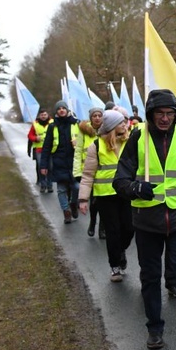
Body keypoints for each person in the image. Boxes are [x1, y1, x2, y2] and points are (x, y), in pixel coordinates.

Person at [113, 89, 176, 350]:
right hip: (147, 222)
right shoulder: (137, 138)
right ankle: (154, 328)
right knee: (150, 277)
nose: (165, 118)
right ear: (150, 114)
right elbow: (119, 182)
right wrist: (136, 188)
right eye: (160, 113)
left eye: (170, 113)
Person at [78, 110, 135, 281]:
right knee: (113, 231)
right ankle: (115, 266)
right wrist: (83, 199)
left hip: (126, 194)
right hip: (105, 197)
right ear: (111, 126)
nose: (125, 124)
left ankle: (121, 250)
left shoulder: (130, 142)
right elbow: (88, 175)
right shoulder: (96, 146)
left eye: (125, 122)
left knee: (129, 229)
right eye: (121, 122)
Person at [40, 100, 80, 224]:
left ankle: (73, 204)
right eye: (59, 108)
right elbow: (46, 147)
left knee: (77, 187)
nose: (61, 110)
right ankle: (66, 211)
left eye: (63, 108)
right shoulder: (52, 126)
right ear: (56, 112)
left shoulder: (76, 124)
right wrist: (44, 165)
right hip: (59, 162)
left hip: (75, 162)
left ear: (67, 110)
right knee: (61, 190)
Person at [73, 107, 103, 237]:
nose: (97, 118)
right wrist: (77, 172)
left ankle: (102, 228)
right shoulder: (84, 131)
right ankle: (92, 222)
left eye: (99, 115)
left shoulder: (108, 129)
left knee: (103, 201)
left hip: (103, 172)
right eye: (94, 116)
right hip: (89, 172)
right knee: (93, 201)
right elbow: (78, 151)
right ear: (91, 118)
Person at [27, 108, 53, 193]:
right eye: (42, 115)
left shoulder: (52, 122)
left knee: (50, 167)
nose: (43, 116)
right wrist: (35, 138)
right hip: (39, 150)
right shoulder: (35, 124)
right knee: (41, 168)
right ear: (39, 116)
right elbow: (30, 135)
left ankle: (49, 185)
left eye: (45, 115)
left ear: (47, 115)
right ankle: (43, 185)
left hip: (51, 149)